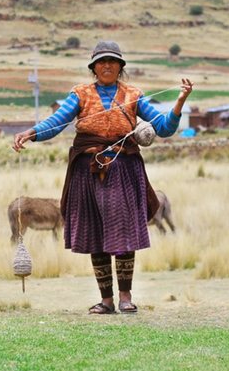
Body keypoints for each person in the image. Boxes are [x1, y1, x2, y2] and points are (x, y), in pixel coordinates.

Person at [13, 40, 193, 314]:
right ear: (94, 67)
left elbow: (164, 128)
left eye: (112, 61)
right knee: (96, 233)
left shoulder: (134, 94)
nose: (107, 65)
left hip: (123, 169)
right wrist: (31, 133)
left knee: (122, 231)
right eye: (101, 62)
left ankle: (125, 297)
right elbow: (56, 122)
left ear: (120, 67)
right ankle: (106, 300)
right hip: (88, 169)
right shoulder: (80, 94)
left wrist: (179, 103)